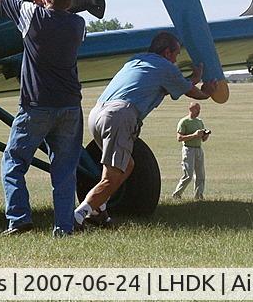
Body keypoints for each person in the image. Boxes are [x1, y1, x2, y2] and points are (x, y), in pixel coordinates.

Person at [74, 31, 217, 228]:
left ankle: (99, 212)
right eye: (176, 55)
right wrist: (207, 92)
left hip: (97, 114)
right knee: (112, 176)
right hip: (120, 116)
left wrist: (192, 78)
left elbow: (169, 84)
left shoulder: (137, 60)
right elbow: (194, 92)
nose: (176, 60)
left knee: (128, 165)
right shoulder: (165, 66)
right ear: (167, 52)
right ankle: (78, 216)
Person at [0, 0, 85, 237]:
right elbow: (54, 20)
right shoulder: (78, 25)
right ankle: (64, 227)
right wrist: (42, 7)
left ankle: (19, 218)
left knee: (13, 162)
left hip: (36, 105)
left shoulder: (32, 16)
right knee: (64, 171)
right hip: (70, 106)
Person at [171, 101, 210, 200]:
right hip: (188, 150)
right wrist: (194, 135)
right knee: (188, 174)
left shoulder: (199, 122)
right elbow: (179, 138)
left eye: (199, 109)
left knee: (200, 174)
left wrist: (205, 136)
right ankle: (176, 194)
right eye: (197, 109)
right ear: (191, 109)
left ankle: (198, 195)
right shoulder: (184, 122)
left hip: (198, 149)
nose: (199, 111)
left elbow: (203, 139)